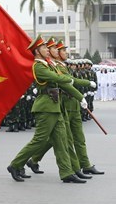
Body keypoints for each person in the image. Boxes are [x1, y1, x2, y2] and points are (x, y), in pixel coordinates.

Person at [7, 35, 87, 183]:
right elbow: (56, 78)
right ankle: (15, 164)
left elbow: (59, 78)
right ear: (37, 51)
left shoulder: (48, 64)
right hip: (45, 107)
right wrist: (69, 79)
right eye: (44, 48)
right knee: (39, 140)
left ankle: (66, 172)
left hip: (55, 106)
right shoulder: (38, 66)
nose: (48, 50)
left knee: (61, 140)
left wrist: (79, 95)